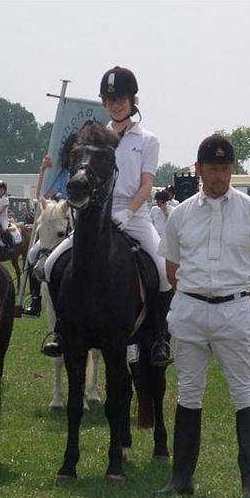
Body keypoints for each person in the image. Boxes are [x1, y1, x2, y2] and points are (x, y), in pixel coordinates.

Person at [155, 135, 250, 498]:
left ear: (232, 169)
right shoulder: (180, 214)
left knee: (244, 393)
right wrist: (199, 298)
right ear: (199, 169)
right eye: (213, 169)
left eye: (226, 169)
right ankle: (181, 478)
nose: (220, 176)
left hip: (234, 310)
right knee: (189, 393)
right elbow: (173, 269)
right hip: (190, 309)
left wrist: (238, 299)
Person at [42, 66, 173, 367]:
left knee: (164, 275)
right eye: (110, 100)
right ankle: (62, 331)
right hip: (94, 216)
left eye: (121, 99)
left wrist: (128, 213)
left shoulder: (147, 139)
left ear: (132, 100)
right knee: (51, 265)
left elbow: (147, 184)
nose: (116, 105)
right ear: (103, 103)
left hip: (134, 215)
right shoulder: (94, 138)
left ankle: (158, 336)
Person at [24, 133, 77, 318]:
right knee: (32, 254)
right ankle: (36, 299)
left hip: (78, 220)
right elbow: (43, 196)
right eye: (72, 153)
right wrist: (42, 171)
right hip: (58, 219)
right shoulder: (63, 174)